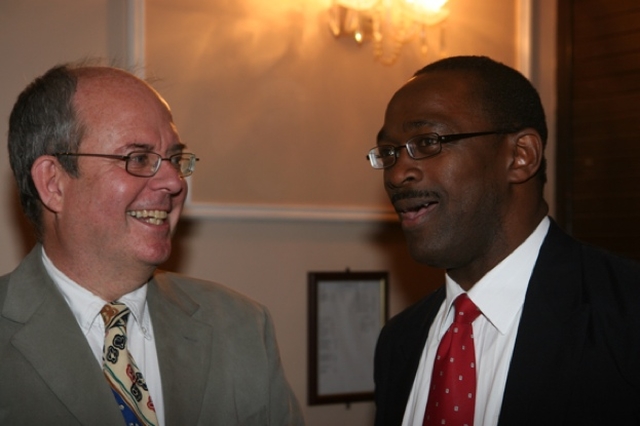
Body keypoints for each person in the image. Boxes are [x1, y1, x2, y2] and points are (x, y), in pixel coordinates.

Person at [0, 62, 304, 426]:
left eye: (175, 159)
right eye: (139, 158)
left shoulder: (242, 327)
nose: (175, 181)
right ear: (53, 183)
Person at [370, 55, 640, 426]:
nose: (398, 172)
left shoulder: (625, 317)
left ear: (520, 156)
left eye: (428, 142)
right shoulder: (398, 343)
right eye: (388, 152)